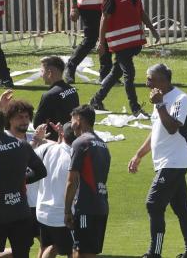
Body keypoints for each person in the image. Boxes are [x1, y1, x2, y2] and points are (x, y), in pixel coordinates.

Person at [128, 64, 187, 258]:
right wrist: (138, 155)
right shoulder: (158, 98)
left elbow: (172, 128)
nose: (147, 82)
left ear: (163, 80)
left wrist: (159, 104)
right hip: (167, 162)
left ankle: (155, 252)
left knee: (153, 204)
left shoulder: (180, 99)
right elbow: (156, 132)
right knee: (182, 208)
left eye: (150, 78)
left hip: (174, 163)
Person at [89, 0, 160, 115]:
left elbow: (141, 12)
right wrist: (101, 43)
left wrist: (153, 29)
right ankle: (135, 108)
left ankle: (96, 100)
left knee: (116, 73)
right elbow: (104, 18)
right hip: (121, 45)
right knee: (129, 73)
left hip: (130, 44)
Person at [0, 109, 47, 258]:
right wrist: (20, 180)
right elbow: (41, 171)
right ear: (4, 124)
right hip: (21, 213)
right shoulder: (22, 145)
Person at [65, 105, 111, 258]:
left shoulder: (80, 143)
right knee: (87, 251)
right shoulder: (103, 144)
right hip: (101, 206)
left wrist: (66, 211)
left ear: (79, 120)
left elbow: (72, 181)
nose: (71, 124)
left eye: (72, 119)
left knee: (82, 252)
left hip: (85, 207)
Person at [35, 122, 77, 258]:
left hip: (42, 212)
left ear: (62, 135)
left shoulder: (47, 149)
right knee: (73, 250)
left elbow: (30, 158)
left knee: (50, 246)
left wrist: (40, 140)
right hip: (62, 216)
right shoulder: (76, 157)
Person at [34, 56, 80, 141]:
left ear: (50, 73)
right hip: (72, 136)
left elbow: (37, 124)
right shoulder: (72, 90)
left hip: (55, 141)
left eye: (42, 71)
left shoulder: (49, 95)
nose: (41, 75)